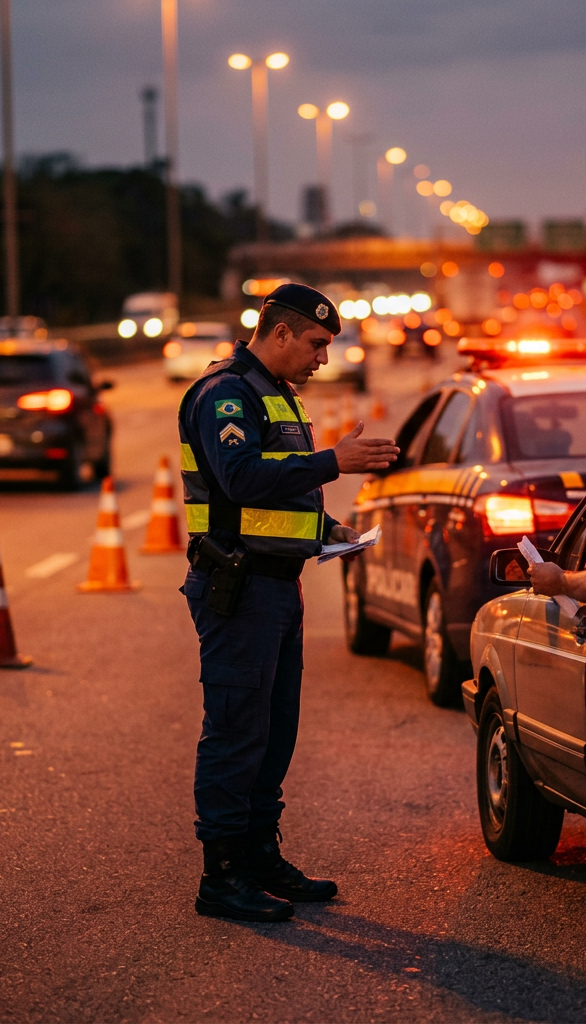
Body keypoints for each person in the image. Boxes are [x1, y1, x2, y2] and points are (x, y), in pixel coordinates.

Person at [179, 283, 399, 923]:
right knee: (236, 731)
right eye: (316, 343)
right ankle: (221, 877)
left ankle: (258, 856)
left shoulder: (277, 396)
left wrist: (325, 528)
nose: (323, 358)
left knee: (274, 733)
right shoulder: (225, 394)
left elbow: (277, 494)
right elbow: (241, 476)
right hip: (239, 588)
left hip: (278, 585)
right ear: (279, 333)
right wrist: (336, 460)